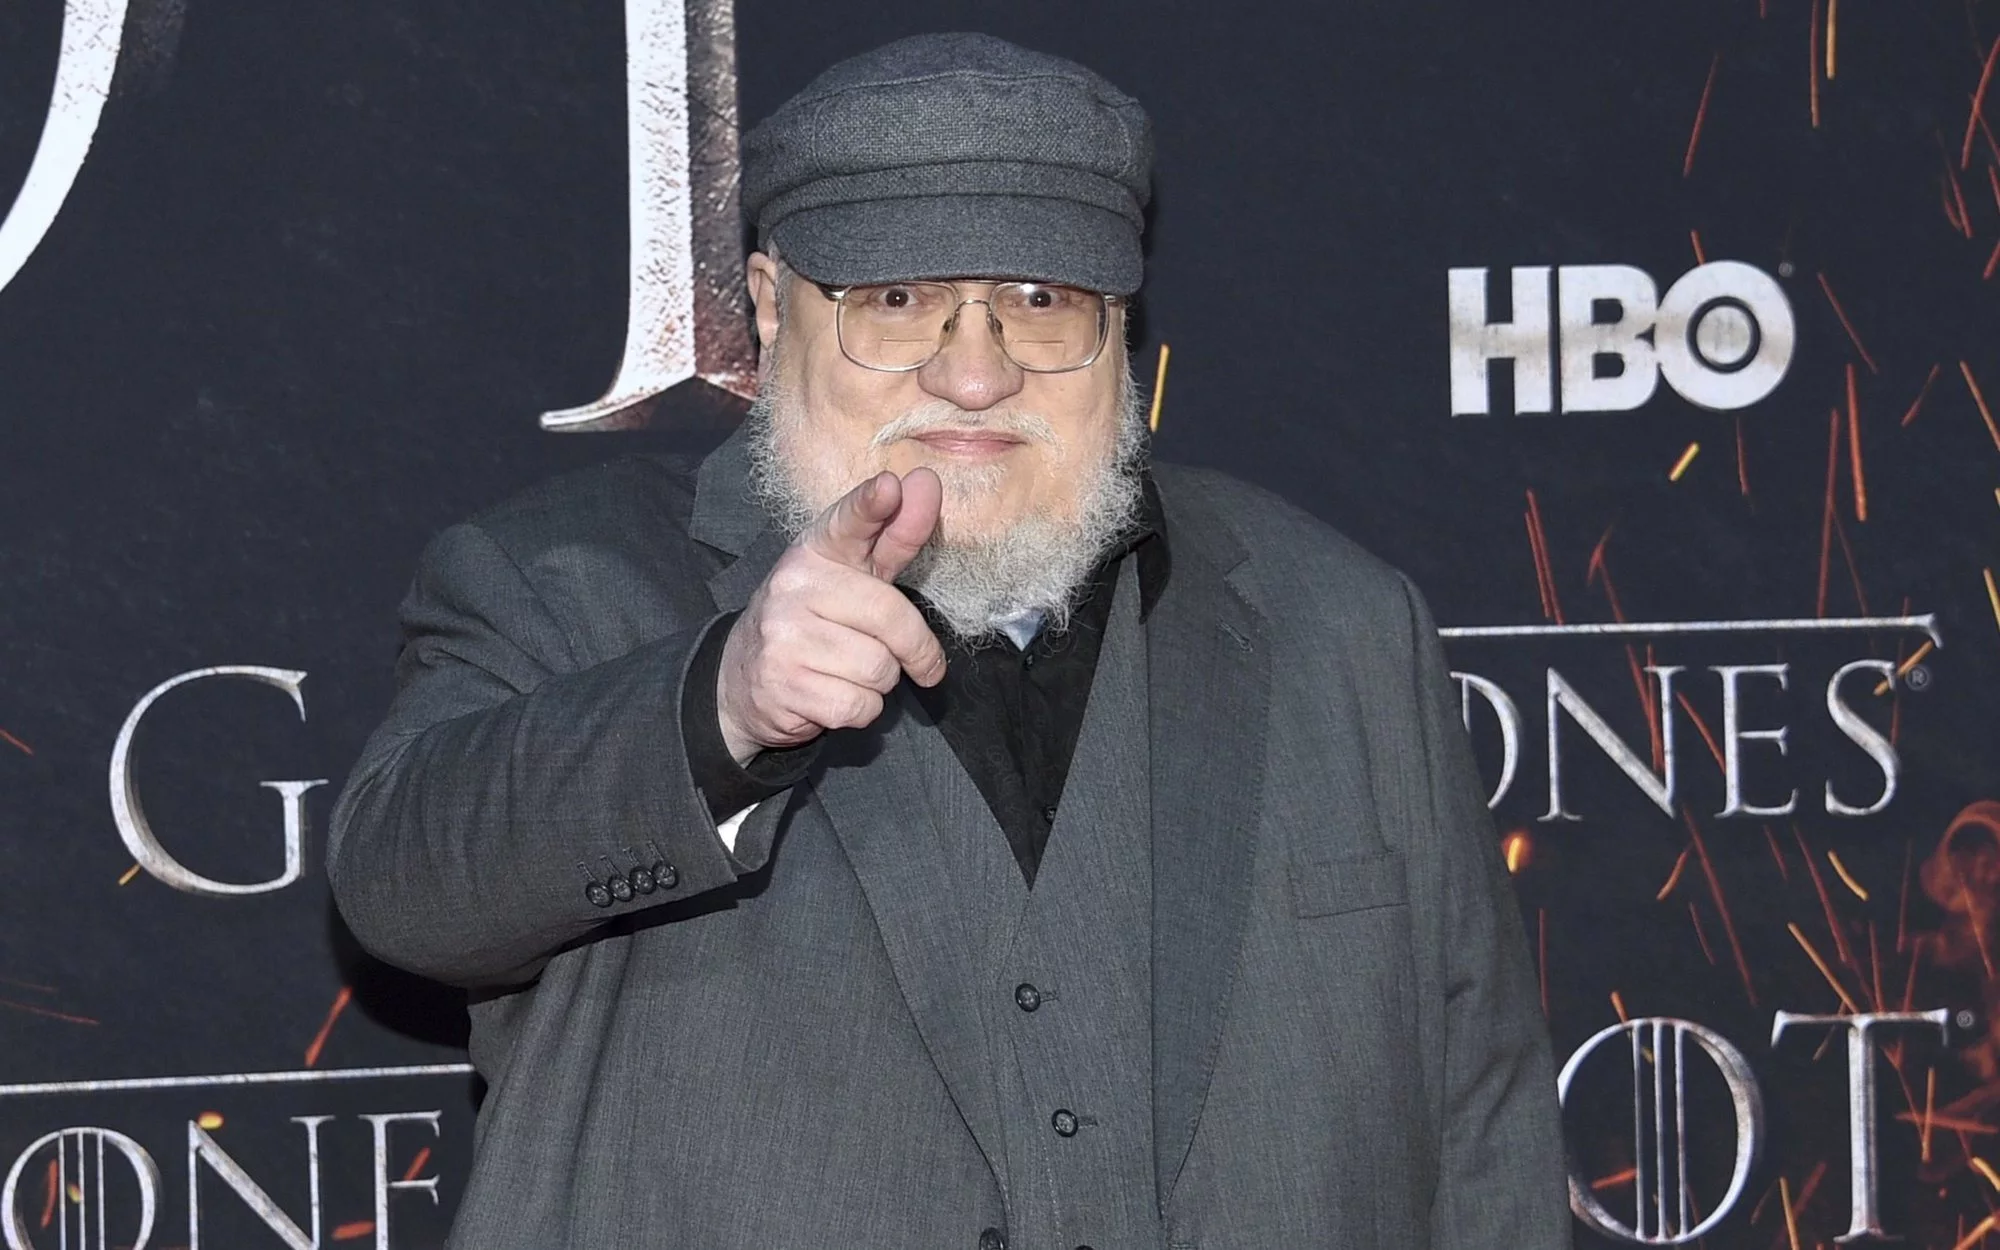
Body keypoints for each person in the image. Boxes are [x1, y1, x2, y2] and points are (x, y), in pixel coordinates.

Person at [327, 31, 1570, 1250]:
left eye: (1038, 300)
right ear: (768, 308)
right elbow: (403, 892)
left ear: (1119, 325)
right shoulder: (559, 581)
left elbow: (1481, 1123)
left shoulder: (1338, 618)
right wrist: (720, 709)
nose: (973, 374)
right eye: (897, 299)